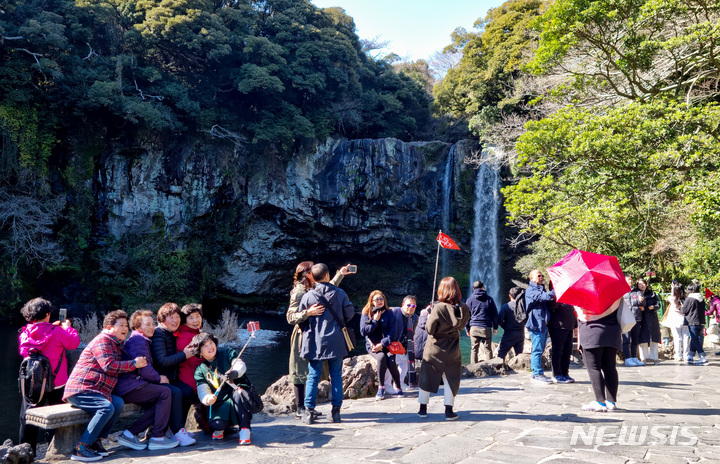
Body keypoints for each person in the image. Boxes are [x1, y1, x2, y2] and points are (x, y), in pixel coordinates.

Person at [63, 310, 147, 461]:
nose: (125, 328)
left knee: (118, 403)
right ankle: (81, 448)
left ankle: (96, 441)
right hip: (80, 390)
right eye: (121, 325)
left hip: (96, 391)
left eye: (126, 325)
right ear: (108, 327)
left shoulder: (116, 344)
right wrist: (134, 364)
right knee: (106, 407)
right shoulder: (102, 340)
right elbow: (108, 365)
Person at [287, 261, 349, 419]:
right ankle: (302, 409)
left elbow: (326, 290)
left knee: (312, 375)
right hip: (304, 336)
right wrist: (308, 313)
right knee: (302, 373)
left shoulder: (311, 290)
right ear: (308, 274)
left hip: (314, 337)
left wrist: (340, 274)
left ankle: (308, 410)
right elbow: (290, 317)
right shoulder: (299, 292)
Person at [18, 298, 80, 454]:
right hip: (56, 382)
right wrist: (68, 329)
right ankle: (57, 450)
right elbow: (73, 343)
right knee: (58, 417)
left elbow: (25, 350)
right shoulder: (58, 332)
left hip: (32, 383)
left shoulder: (25, 333)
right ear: (47, 314)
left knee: (27, 419)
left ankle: (26, 452)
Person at [114, 310, 179, 451]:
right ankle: (157, 437)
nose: (152, 327)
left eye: (153, 324)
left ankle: (130, 434)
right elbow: (144, 367)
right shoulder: (138, 340)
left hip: (130, 385)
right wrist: (158, 378)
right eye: (147, 324)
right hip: (130, 386)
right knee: (166, 393)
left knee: (161, 401)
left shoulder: (140, 339)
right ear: (138, 327)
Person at [417, 277, 470, 421]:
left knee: (426, 376)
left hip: (434, 348)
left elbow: (430, 329)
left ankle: (422, 410)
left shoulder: (438, 308)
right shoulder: (464, 308)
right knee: (451, 378)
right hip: (452, 348)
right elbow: (461, 326)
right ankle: (449, 412)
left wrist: (424, 316)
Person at [191, 332, 253, 444]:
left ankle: (245, 429)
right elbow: (202, 389)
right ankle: (221, 429)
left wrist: (235, 372)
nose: (210, 347)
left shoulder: (227, 353)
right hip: (219, 400)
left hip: (236, 392)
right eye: (205, 346)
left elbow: (240, 365)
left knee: (239, 394)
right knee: (217, 424)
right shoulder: (200, 370)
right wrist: (207, 398)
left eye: (211, 343)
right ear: (200, 352)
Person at [150, 303, 196, 446]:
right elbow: (162, 361)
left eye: (177, 317)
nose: (175, 321)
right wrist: (184, 355)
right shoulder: (159, 334)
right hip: (157, 379)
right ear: (162, 319)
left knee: (188, 391)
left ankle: (177, 428)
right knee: (176, 392)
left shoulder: (171, 333)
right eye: (171, 317)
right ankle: (177, 432)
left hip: (171, 378)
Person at [575, 300, 622, 412]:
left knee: (594, 368)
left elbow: (583, 316)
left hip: (591, 332)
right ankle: (611, 402)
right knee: (610, 367)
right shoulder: (613, 293)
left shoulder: (584, 294)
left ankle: (600, 402)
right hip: (612, 332)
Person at [360, 290, 402, 400]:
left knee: (391, 361)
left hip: (387, 344)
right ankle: (381, 387)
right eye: (377, 299)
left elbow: (393, 333)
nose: (379, 301)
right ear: (372, 301)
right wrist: (374, 321)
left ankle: (398, 386)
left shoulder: (390, 313)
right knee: (382, 357)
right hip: (373, 345)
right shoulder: (366, 313)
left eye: (381, 299)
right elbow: (363, 332)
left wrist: (382, 344)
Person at [525, 269, 556, 384]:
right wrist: (558, 289)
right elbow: (546, 297)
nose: (541, 277)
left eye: (542, 275)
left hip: (542, 324)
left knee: (541, 349)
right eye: (538, 276)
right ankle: (536, 373)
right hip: (536, 324)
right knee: (537, 350)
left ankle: (538, 372)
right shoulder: (531, 290)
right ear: (531, 278)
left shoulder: (540, 289)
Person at [464, 281, 498, 364]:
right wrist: (495, 326)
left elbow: (466, 316)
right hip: (486, 327)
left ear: (473, 289)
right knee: (488, 349)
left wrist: (467, 328)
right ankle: (490, 369)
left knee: (474, 349)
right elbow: (494, 314)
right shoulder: (489, 299)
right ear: (483, 288)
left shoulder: (469, 300)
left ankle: (473, 370)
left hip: (474, 328)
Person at [390, 295, 419, 390]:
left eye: (413, 306)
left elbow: (414, 331)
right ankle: (387, 386)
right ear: (403, 304)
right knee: (390, 365)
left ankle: (400, 383)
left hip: (404, 344)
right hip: (391, 342)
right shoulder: (394, 312)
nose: (411, 307)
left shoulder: (414, 317)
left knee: (404, 364)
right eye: (409, 305)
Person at [548, 301, 577, 383]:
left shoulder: (568, 297)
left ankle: (565, 373)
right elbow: (551, 306)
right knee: (558, 351)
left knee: (567, 352)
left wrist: (575, 325)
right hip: (558, 327)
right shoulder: (555, 295)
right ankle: (557, 374)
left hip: (569, 326)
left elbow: (572, 311)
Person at [680, 282, 709, 365]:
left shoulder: (690, 299)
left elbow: (683, 311)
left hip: (692, 321)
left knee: (695, 339)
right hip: (701, 322)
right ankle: (690, 356)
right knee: (694, 339)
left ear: (691, 290)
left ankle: (703, 357)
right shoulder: (701, 298)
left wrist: (681, 306)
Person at [661, 283, 689, 361]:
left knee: (677, 338)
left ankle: (678, 355)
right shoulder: (687, 298)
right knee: (686, 338)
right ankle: (686, 355)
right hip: (685, 320)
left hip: (675, 321)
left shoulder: (672, 298)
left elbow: (671, 295)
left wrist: (672, 288)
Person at [621, 275, 645, 366]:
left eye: (631, 280)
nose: (630, 281)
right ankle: (627, 358)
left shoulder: (638, 292)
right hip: (626, 319)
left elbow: (643, 303)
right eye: (628, 280)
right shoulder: (621, 292)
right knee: (626, 340)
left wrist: (642, 301)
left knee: (635, 340)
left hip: (636, 318)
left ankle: (634, 357)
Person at [496, 287, 525, 361]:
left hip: (509, 332)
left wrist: (505, 326)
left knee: (501, 353)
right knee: (519, 354)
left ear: (509, 296)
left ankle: (500, 369)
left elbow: (499, 320)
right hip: (521, 332)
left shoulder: (506, 307)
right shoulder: (523, 307)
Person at [636, 278, 660, 364]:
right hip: (641, 318)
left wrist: (654, 307)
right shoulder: (635, 293)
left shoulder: (652, 293)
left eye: (642, 283)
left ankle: (654, 357)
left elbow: (658, 304)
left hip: (652, 317)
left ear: (646, 284)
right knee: (643, 339)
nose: (641, 285)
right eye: (639, 284)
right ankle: (643, 358)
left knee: (654, 338)